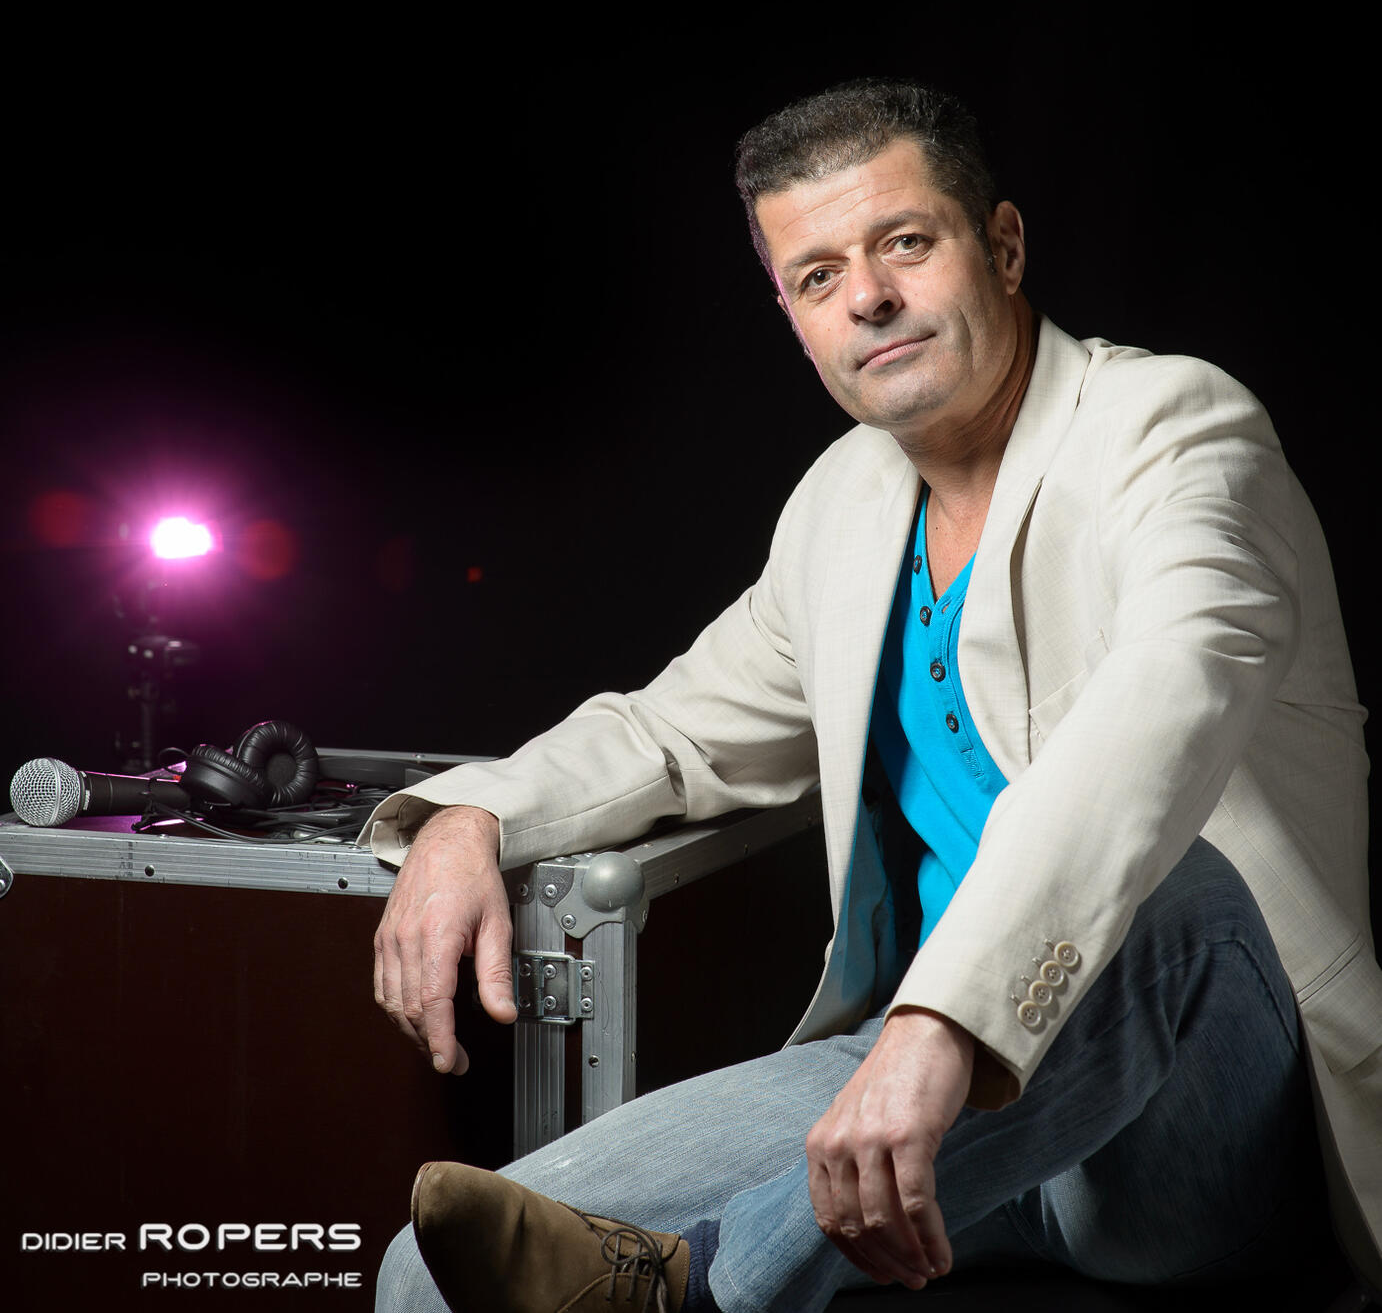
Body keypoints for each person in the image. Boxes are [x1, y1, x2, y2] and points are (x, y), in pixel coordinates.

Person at [365, 80, 1381, 1312]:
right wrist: (468, 817)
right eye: (817, 275)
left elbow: (1169, 694)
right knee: (434, 1267)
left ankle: (708, 1283)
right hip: (936, 1093)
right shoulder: (841, 506)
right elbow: (674, 730)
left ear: (1001, 245)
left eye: (903, 242)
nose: (867, 297)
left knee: (1178, 884)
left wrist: (942, 1023)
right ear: (793, 318)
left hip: (1190, 1110)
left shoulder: (1174, 429)